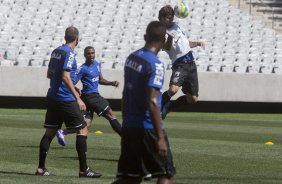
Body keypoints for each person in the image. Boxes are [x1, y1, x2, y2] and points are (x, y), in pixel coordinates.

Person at [112, 21, 175, 184]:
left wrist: (125, 125)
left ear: (145, 36)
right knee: (165, 174)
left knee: (129, 178)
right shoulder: (155, 65)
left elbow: (125, 94)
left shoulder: (131, 59)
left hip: (130, 127)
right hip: (148, 128)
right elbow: (153, 102)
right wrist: (160, 137)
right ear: (163, 40)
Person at [35, 26, 102, 178]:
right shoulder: (69, 53)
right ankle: (84, 170)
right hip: (64, 99)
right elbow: (65, 76)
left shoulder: (56, 51)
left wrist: (74, 86)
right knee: (83, 128)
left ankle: (40, 169)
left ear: (65, 37)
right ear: (77, 39)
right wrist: (77, 97)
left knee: (50, 132)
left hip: (52, 96)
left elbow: (49, 74)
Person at [56, 46, 122, 146]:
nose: (91, 55)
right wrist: (76, 89)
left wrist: (111, 83)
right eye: (88, 53)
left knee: (85, 125)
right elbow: (71, 81)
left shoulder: (97, 64)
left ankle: (63, 132)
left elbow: (100, 79)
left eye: (92, 53)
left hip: (90, 98)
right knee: (110, 114)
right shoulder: (82, 69)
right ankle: (127, 139)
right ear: (84, 55)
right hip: (90, 96)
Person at [158, 5, 205, 119]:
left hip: (191, 63)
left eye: (172, 17)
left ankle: (170, 106)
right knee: (173, 89)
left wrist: (197, 43)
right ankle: (159, 106)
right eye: (168, 17)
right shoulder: (160, 31)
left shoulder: (176, 26)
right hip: (179, 64)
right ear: (162, 18)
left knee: (193, 99)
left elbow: (186, 43)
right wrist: (169, 37)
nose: (171, 19)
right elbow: (167, 48)